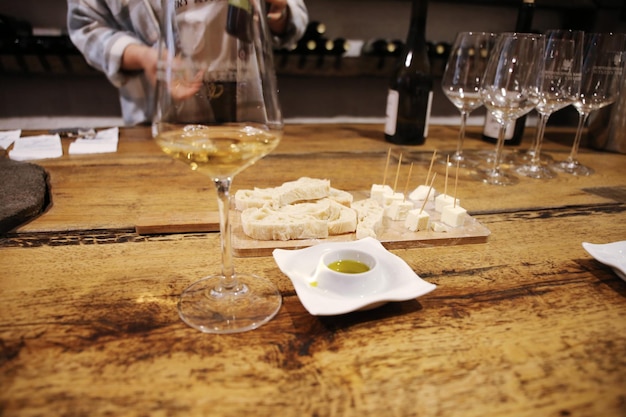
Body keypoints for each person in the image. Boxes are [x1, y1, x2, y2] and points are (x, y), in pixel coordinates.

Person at [67, 0, 309, 126]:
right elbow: (85, 25)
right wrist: (143, 56)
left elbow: (293, 15)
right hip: (159, 120)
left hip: (249, 119)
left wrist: (279, 10)